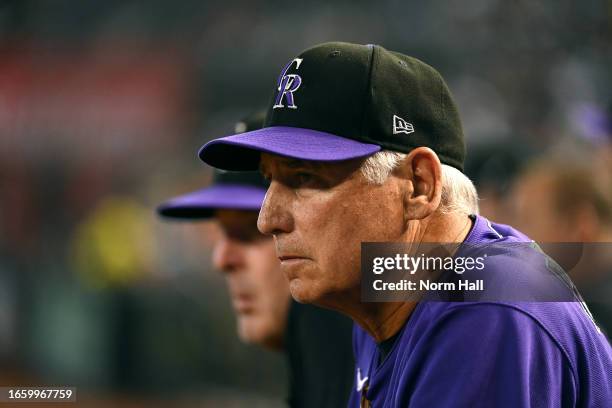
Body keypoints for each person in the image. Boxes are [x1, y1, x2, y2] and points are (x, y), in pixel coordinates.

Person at [198, 42, 612, 407]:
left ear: (419, 185)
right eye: (270, 181)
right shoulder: (385, 291)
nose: (268, 218)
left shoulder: (486, 309)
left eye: (304, 179)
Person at [158, 112, 353, 408]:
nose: (222, 259)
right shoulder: (320, 346)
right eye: (222, 234)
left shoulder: (337, 333)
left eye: (251, 233)